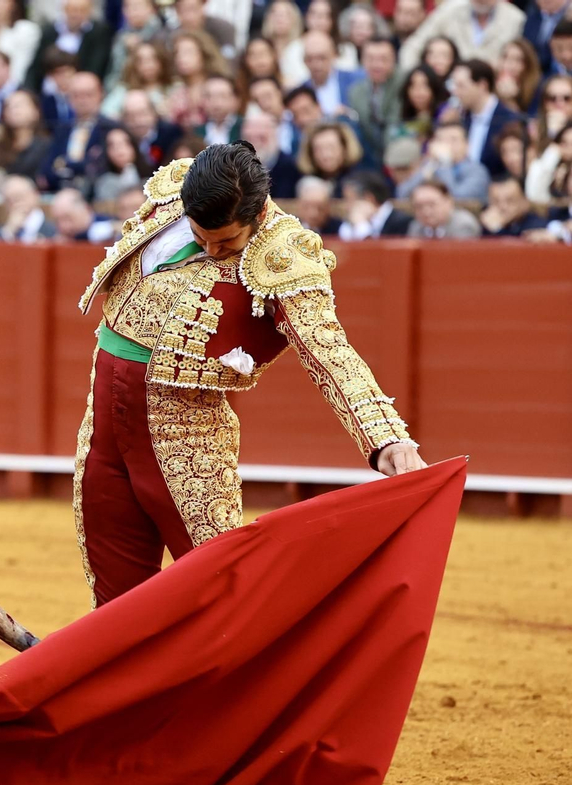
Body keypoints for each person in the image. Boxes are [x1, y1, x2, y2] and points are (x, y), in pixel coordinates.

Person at [72, 144, 422, 613]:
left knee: (222, 590)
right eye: (202, 235)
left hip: (186, 435)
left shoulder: (285, 253)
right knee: (113, 591)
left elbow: (329, 350)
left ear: (257, 215)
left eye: (227, 244)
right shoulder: (177, 194)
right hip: (104, 423)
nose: (212, 250)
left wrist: (386, 437)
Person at [398, 0, 525, 72]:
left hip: (493, 93)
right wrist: (418, 78)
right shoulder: (449, 10)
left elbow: (523, 62)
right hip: (447, 90)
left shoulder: (516, 19)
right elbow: (413, 46)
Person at [449, 59, 523, 176]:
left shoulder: (509, 119)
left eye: (461, 86)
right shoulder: (460, 119)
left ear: (482, 85)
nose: (456, 92)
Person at [397, 120, 489, 201]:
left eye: (453, 140)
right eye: (440, 139)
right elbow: (402, 194)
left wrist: (445, 162)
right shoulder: (430, 165)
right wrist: (427, 169)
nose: (446, 144)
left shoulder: (477, 171)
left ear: (467, 145)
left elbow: (457, 199)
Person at [39, 0, 111, 80]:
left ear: (89, 12)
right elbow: (37, 66)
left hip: (79, 86)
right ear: (65, 10)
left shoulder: (99, 33)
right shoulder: (50, 31)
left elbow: (96, 67)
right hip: (47, 86)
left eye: (82, 10)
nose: (76, 14)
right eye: (73, 10)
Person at [336, 169, 411, 240]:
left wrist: (361, 226)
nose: (346, 207)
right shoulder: (352, 221)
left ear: (369, 198)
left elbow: (377, 252)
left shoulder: (401, 223)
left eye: (349, 200)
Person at [407, 177, 481, 237]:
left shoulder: (463, 225)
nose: (426, 211)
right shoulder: (416, 227)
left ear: (448, 202)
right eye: (419, 206)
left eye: (431, 205)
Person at [477, 175, 548, 236]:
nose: (503, 207)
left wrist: (497, 229)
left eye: (510, 201)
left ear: (525, 203)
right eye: (496, 202)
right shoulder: (482, 226)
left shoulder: (536, 226)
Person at [0, 173, 55, 242]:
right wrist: (9, 231)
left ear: (35, 195)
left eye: (19, 197)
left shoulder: (55, 231)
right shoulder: (1, 233)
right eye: (9, 200)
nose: (15, 204)